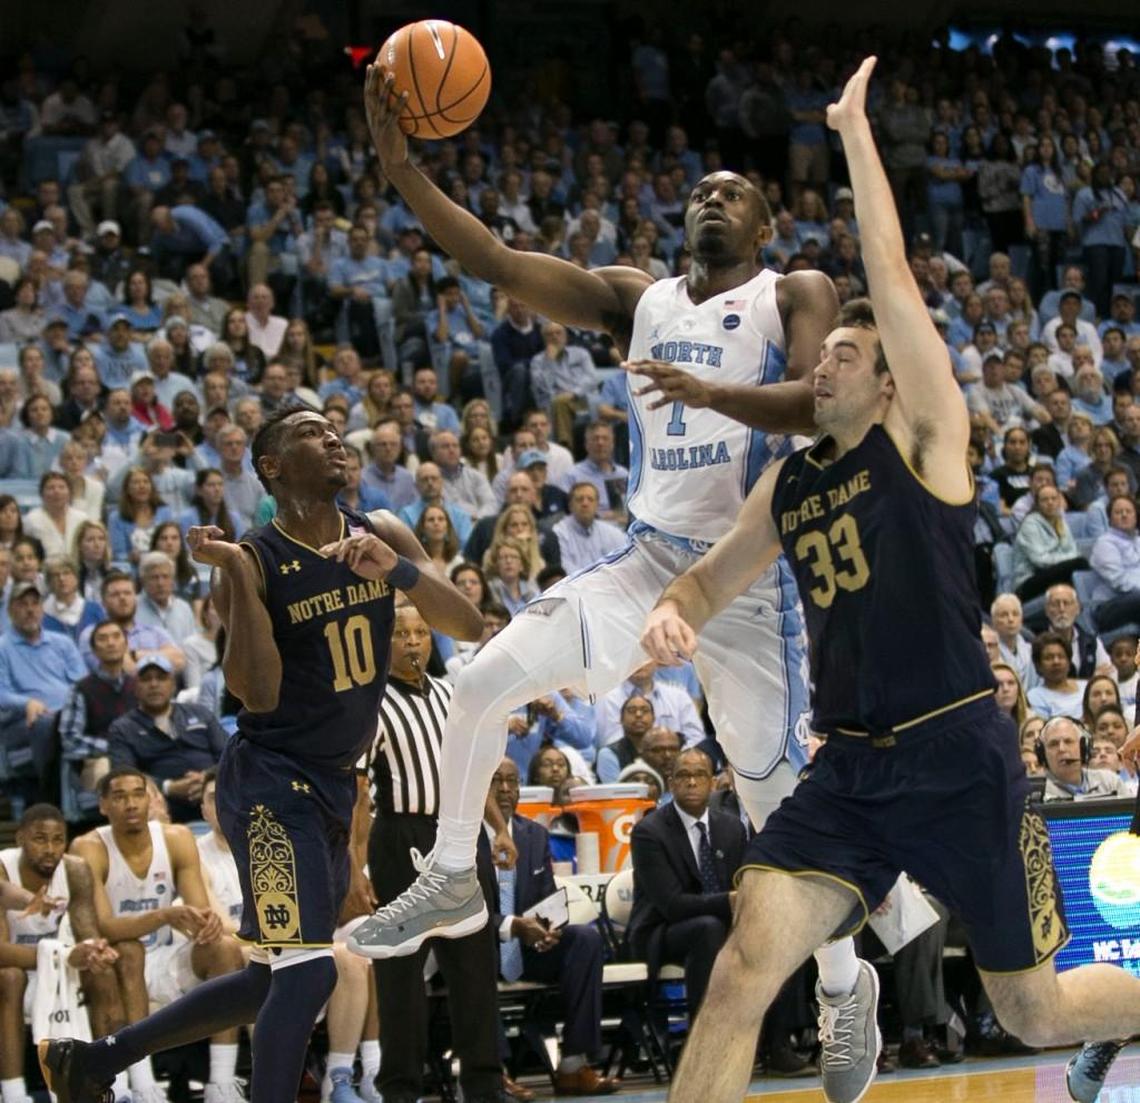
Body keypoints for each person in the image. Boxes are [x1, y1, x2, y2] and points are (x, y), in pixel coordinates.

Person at [350, 78, 875, 1095]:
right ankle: (453, 869)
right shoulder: (643, 299)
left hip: (751, 582)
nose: (713, 198)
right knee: (481, 677)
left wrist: (715, 392)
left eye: (735, 191)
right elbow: (495, 260)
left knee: (780, 812)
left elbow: (819, 413)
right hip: (644, 559)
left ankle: (845, 983)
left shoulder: (790, 293)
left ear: (766, 223)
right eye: (703, 189)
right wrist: (403, 166)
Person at [636, 58, 1140, 1103]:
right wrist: (673, 615)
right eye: (824, 355)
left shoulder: (925, 441)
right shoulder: (786, 484)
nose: (823, 363)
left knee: (1031, 1010)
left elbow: (893, 274)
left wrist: (855, 136)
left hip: (959, 756)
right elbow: (708, 580)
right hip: (851, 773)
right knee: (741, 967)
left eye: (849, 354)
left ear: (889, 379)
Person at [40, 406, 485, 1103]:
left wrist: (396, 568)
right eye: (312, 431)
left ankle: (96, 1062)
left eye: (335, 427)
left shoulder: (382, 530)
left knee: (268, 976)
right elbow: (255, 690)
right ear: (272, 467)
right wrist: (241, 583)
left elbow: (467, 621)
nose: (334, 437)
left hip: (337, 785)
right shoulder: (253, 558)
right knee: (309, 973)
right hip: (274, 785)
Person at [357, 604, 504, 1103]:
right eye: (401, 633)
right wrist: (357, 862)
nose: (414, 642)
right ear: (384, 642)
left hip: (462, 833)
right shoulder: (370, 702)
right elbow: (357, 790)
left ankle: (484, 1087)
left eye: (422, 632)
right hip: (401, 836)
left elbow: (475, 766)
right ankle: (400, 1089)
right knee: (400, 973)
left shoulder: (450, 694)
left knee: (476, 971)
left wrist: (500, 828)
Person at [69, 767, 247, 1103]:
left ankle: (221, 1083)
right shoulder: (88, 847)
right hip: (113, 958)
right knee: (129, 950)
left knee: (223, 948)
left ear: (151, 800)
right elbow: (104, 926)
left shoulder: (176, 838)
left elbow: (198, 911)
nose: (131, 804)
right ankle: (137, 1083)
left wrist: (203, 922)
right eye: (120, 797)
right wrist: (164, 914)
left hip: (165, 957)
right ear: (103, 805)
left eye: (138, 794)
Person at [476, 757, 619, 1095]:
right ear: (480, 789)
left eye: (513, 781)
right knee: (471, 949)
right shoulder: (461, 839)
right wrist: (512, 925)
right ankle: (495, 1072)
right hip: (481, 947)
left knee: (584, 939)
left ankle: (573, 1065)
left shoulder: (534, 835)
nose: (507, 789)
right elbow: (462, 913)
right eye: (497, 781)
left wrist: (548, 929)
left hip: (528, 949)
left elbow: (548, 900)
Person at [0, 804, 121, 1103]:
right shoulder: (3, 867)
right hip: (19, 968)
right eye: (40, 839)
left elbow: (87, 931)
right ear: (20, 839)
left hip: (56, 964)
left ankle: (120, 1084)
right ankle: (14, 1093)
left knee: (103, 969)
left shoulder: (75, 869)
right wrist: (64, 957)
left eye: (58, 839)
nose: (50, 848)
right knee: (9, 978)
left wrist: (96, 951)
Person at [107, 653, 228, 822]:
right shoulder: (122, 728)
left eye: (161, 678)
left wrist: (207, 778)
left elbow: (228, 755)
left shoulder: (199, 713)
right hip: (162, 803)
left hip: (214, 794)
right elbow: (123, 773)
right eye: (146, 679)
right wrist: (169, 787)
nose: (154, 684)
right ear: (135, 687)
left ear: (173, 684)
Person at [1038, 716, 1127, 801]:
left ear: (1083, 748)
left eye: (1068, 741)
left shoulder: (1110, 781)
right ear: (1043, 754)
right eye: (1053, 744)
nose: (1062, 749)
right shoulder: (1037, 792)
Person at [551, 482, 628, 575]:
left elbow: (624, 561)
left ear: (597, 505)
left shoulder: (612, 532)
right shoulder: (558, 533)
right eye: (580, 499)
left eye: (590, 499)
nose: (585, 503)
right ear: (570, 505)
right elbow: (565, 569)